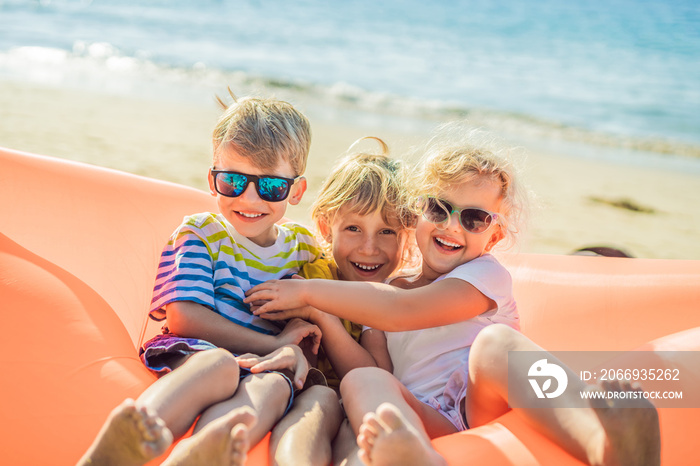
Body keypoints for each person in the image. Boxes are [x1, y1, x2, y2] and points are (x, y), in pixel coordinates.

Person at [245, 124, 660, 466]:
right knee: (363, 379)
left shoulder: (482, 276)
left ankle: (601, 443)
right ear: (416, 212)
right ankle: (416, 456)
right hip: (429, 417)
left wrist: (309, 290)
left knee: (495, 345)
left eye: (474, 218)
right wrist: (324, 315)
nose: (452, 227)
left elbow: (403, 312)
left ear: (495, 234)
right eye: (438, 209)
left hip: (486, 406)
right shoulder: (389, 290)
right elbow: (377, 369)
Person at [79, 93, 332, 466]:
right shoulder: (201, 233)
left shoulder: (305, 248)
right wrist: (274, 343)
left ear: (296, 191)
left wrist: (296, 333)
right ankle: (136, 433)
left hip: (265, 366)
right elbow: (184, 317)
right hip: (199, 352)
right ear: (212, 181)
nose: (249, 199)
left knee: (276, 385)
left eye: (270, 187)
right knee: (219, 366)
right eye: (233, 181)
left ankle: (204, 451)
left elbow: (321, 319)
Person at [269, 137, 417, 465]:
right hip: (311, 397)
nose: (369, 248)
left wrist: (323, 316)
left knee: (359, 432)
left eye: (387, 232)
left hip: (357, 408)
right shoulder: (311, 276)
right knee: (318, 407)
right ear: (326, 226)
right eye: (353, 228)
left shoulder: (390, 298)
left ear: (406, 234)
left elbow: (375, 375)